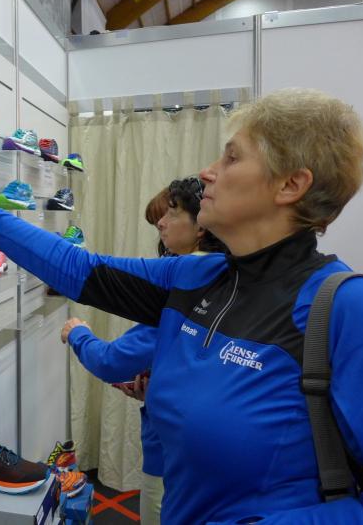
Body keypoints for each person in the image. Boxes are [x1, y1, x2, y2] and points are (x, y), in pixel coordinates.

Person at [0, 88, 363, 523]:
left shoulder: (351, 310)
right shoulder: (197, 275)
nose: (208, 172)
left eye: (231, 158)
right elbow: (79, 269)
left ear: (291, 185)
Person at [62, 178, 227, 525]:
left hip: (173, 458)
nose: (162, 225)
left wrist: (77, 333)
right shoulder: (224, 280)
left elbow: (111, 361)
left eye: (171, 214)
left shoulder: (187, 290)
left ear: (200, 226)